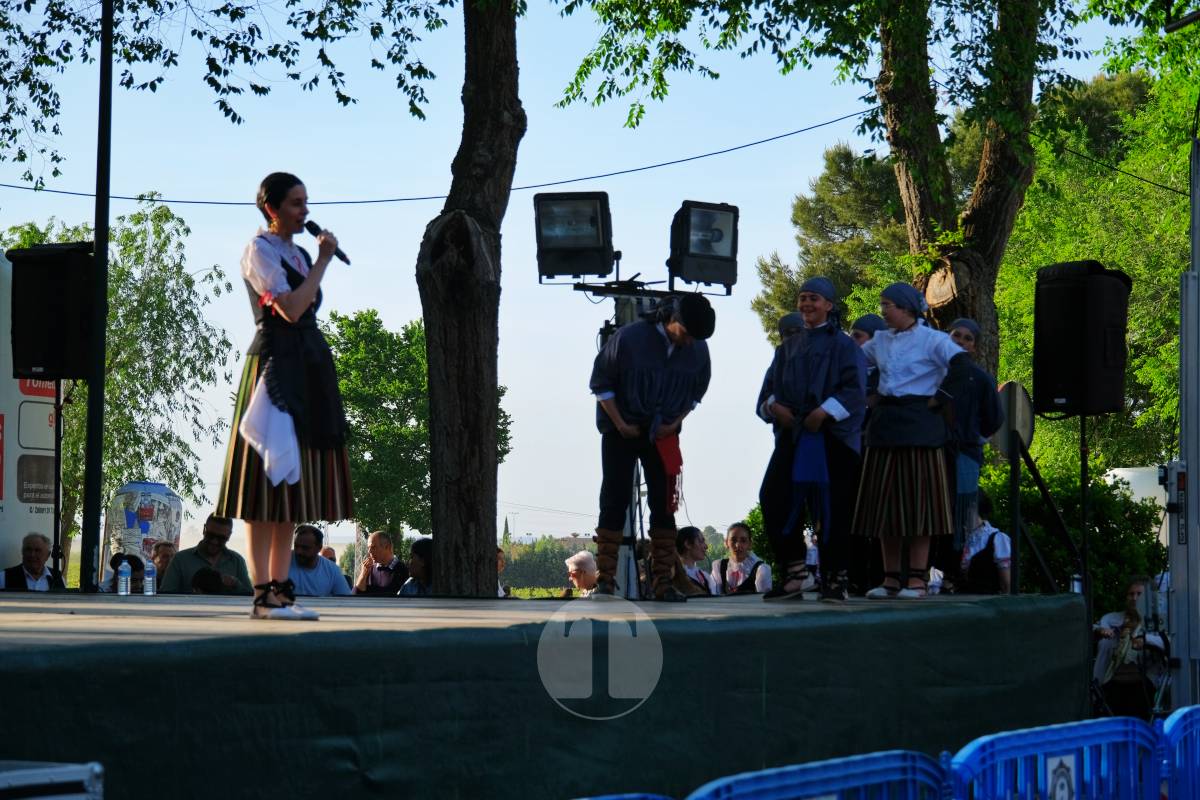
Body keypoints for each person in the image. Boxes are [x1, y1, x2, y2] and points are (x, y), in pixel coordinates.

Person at [215, 172, 353, 621]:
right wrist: (324, 261)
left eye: (306, 202)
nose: (305, 211)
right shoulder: (259, 250)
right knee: (262, 488)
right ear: (271, 207)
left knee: (288, 490)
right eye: (296, 203)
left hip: (306, 367)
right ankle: (262, 596)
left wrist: (316, 260)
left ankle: (280, 592)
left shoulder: (294, 252)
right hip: (274, 369)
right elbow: (291, 310)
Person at [590, 294, 715, 601]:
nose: (689, 342)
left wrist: (676, 421)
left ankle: (663, 581)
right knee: (614, 498)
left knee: (664, 502)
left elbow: (698, 389)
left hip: (663, 431)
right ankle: (605, 579)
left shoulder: (697, 347)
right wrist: (620, 423)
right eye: (686, 334)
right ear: (672, 321)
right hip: (623, 427)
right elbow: (601, 382)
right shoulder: (630, 338)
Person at [852, 282, 971, 599]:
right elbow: (853, 365)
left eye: (888, 304)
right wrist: (868, 395)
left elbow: (962, 365)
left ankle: (917, 580)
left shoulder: (932, 339)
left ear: (905, 307)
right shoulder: (879, 340)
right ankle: (890, 579)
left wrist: (940, 398)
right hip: (885, 426)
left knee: (920, 507)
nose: (883, 310)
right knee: (884, 507)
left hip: (920, 426)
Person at [757, 277, 866, 602]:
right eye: (803, 298)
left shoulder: (844, 346)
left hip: (832, 440)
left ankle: (835, 578)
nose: (806, 304)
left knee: (833, 509)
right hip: (794, 438)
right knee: (774, 497)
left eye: (813, 299)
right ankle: (794, 573)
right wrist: (774, 407)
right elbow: (766, 393)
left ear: (828, 305)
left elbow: (855, 391)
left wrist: (823, 412)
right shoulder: (787, 348)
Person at [943, 318, 1004, 579]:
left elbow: (994, 418)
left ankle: (953, 574)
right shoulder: (932, 373)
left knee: (961, 512)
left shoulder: (981, 379)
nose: (961, 341)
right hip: (933, 451)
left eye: (968, 338)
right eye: (957, 335)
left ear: (975, 347)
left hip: (965, 453)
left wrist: (973, 436)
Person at [1094, 578, 1167, 719]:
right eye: (1131, 594)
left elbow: (1168, 642)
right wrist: (1099, 631)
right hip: (1111, 686)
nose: (1134, 598)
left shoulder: (1159, 622)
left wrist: (1146, 640)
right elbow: (1094, 629)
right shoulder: (1111, 618)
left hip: (1141, 689)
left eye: (1139, 594)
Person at [159, 514, 253, 595]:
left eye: (221, 538)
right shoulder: (180, 559)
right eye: (210, 535)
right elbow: (166, 595)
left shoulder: (237, 561)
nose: (214, 541)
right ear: (204, 529)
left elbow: (250, 596)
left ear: (229, 535)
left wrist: (236, 584)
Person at [955, 491, 1012, 594]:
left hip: (988, 604)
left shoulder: (997, 539)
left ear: (972, 506)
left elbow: (1006, 585)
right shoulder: (963, 539)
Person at [288, 525, 352, 597]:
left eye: (305, 548)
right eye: (296, 546)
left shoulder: (332, 570)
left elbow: (346, 600)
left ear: (319, 548)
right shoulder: (283, 563)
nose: (299, 551)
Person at [712, 522, 772, 595]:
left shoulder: (761, 569)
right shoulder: (719, 567)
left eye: (743, 540)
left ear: (750, 544)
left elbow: (763, 600)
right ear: (726, 543)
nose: (738, 545)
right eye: (733, 540)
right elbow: (714, 596)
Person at [353, 531, 410, 596]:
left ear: (387, 547)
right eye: (368, 548)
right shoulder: (369, 568)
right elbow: (356, 595)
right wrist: (363, 574)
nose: (369, 552)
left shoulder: (403, 570)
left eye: (373, 547)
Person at [676, 526, 717, 595]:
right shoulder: (673, 576)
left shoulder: (704, 576)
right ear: (688, 544)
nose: (706, 546)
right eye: (701, 541)